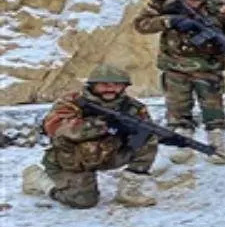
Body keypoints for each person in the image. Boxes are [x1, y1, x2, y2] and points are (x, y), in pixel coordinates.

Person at [132, 0, 225, 171]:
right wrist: (170, 21)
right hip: (175, 66)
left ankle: (217, 146)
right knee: (178, 109)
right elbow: (141, 24)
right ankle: (183, 146)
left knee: (214, 110)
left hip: (209, 68)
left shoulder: (222, 7)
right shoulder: (163, 3)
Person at [21, 65, 158, 208]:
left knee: (147, 134)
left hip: (110, 154)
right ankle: (38, 179)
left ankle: (131, 188)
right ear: (93, 85)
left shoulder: (133, 108)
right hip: (72, 161)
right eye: (104, 84)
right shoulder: (72, 102)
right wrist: (104, 125)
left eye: (117, 85)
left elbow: (146, 131)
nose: (110, 89)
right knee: (83, 202)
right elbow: (55, 127)